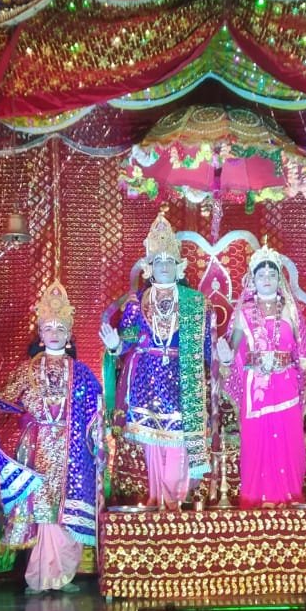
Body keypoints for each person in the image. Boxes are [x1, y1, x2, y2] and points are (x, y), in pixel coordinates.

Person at [0, 281, 101, 594]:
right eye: (49, 328)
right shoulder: (28, 370)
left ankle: (63, 576)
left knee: (66, 511)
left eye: (61, 328)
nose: (54, 333)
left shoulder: (82, 372)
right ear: (40, 334)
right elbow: (6, 400)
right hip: (37, 449)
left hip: (73, 452)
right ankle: (39, 576)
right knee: (41, 511)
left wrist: (100, 441)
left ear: (69, 334)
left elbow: (96, 412)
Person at [99, 211, 211, 508]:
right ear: (149, 267)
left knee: (179, 447)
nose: (163, 266)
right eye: (158, 261)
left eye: (169, 261)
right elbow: (128, 340)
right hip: (147, 382)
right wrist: (116, 346)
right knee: (154, 448)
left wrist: (222, 364)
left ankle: (175, 505)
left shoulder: (195, 303)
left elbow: (207, 349)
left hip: (182, 382)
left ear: (178, 267)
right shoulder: (137, 302)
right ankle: (158, 504)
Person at [215, 242, 306, 506]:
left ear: (279, 278)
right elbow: (232, 351)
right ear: (253, 279)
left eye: (272, 274)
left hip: (287, 387)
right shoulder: (243, 312)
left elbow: (304, 352)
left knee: (289, 444)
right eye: (261, 274)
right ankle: (257, 504)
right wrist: (225, 357)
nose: (267, 279)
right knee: (256, 445)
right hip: (256, 390)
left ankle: (289, 501)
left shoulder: (291, 310)